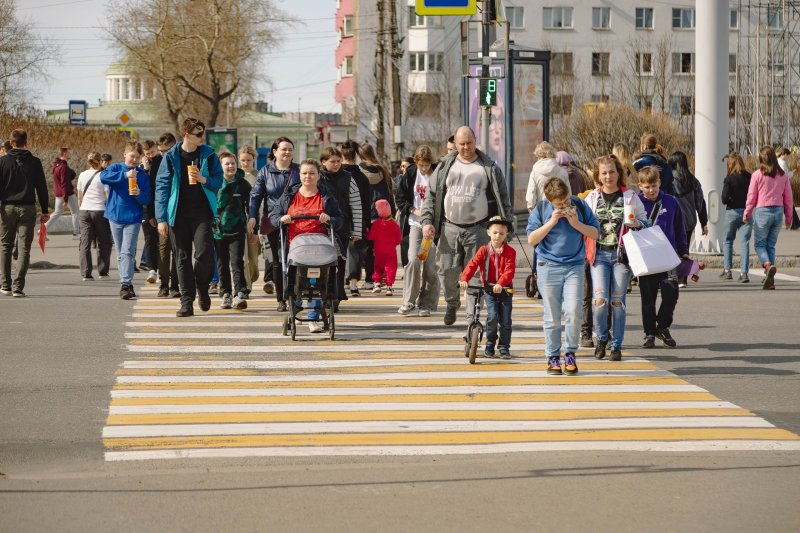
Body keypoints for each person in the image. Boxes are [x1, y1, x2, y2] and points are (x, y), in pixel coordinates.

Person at [420, 126, 513, 326]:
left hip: (479, 228)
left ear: (475, 141)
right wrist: (427, 222)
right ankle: (452, 302)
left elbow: (503, 199)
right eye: (461, 144)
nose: (466, 147)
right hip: (449, 228)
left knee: (477, 274)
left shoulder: (488, 167)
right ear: (455, 143)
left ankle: (473, 316)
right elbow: (431, 196)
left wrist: (508, 226)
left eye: (469, 143)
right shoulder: (445, 166)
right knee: (447, 271)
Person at [527, 177, 599, 374]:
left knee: (574, 311)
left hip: (574, 266)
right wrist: (552, 221)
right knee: (552, 316)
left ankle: (570, 353)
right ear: (550, 201)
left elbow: (595, 233)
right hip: (548, 265)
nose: (565, 205)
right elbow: (532, 239)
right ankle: (552, 356)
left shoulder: (579, 205)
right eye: (559, 204)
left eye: (566, 200)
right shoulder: (541, 208)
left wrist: (576, 223)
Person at [155, 117, 224, 317]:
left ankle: (202, 286)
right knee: (182, 258)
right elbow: (162, 187)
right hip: (178, 214)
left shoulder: (209, 155)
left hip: (202, 213)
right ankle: (186, 301)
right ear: (186, 135)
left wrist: (204, 179)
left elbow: (219, 181)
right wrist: (161, 218)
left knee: (204, 254)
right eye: (198, 133)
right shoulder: (171, 156)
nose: (202, 136)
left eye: (203, 132)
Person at [584, 155, 649, 361]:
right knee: (599, 301)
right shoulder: (592, 198)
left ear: (619, 173)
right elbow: (583, 224)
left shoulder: (630, 196)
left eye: (612, 172)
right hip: (599, 255)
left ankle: (616, 345)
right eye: (604, 173)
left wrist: (637, 224)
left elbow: (646, 221)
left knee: (617, 301)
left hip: (622, 256)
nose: (608, 176)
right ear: (598, 175)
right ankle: (602, 338)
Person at [272, 159, 344, 333]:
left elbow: (340, 219)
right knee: (296, 281)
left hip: (319, 247)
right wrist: (281, 218)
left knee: (316, 282)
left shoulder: (326, 196)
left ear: (318, 175)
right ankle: (296, 309)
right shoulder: (290, 195)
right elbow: (274, 215)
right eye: (304, 173)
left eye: (312, 173)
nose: (308, 176)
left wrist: (330, 219)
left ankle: (313, 318)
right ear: (299, 175)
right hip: (295, 247)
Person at [636, 166, 688, 348]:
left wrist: (683, 249)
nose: (651, 190)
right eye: (647, 187)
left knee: (671, 292)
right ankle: (649, 333)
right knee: (648, 298)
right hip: (647, 257)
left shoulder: (670, 201)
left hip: (668, 256)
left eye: (654, 186)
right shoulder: (636, 203)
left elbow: (679, 227)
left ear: (659, 183)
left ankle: (663, 327)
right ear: (640, 186)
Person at [247, 136, 299, 312]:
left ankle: (294, 294)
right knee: (277, 260)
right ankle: (281, 298)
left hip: (296, 221)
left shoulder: (299, 171)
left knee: (295, 258)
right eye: (283, 149)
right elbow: (255, 196)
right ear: (275, 152)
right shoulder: (265, 172)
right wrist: (252, 217)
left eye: (290, 149)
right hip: (273, 220)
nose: (287, 152)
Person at [0, 129, 50, 297]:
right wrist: (44, 209)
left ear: (11, 143)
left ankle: (5, 285)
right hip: (28, 208)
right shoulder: (35, 162)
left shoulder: (3, 161)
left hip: (7, 208)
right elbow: (41, 187)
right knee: (24, 248)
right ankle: (18, 287)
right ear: (26, 142)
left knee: (5, 246)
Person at [459, 216, 516, 359]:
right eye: (495, 232)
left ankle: (504, 347)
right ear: (488, 232)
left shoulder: (510, 252)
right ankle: (490, 344)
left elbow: (509, 271)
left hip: (505, 290)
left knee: (505, 321)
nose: (498, 236)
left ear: (506, 234)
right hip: (489, 290)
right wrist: (465, 279)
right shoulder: (483, 250)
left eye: (502, 233)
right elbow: (472, 264)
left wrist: (500, 283)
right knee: (492, 317)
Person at [101, 140, 152, 300]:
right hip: (115, 216)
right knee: (120, 252)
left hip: (133, 218)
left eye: (137, 157)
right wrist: (125, 175)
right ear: (124, 154)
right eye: (131, 156)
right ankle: (127, 284)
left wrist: (138, 193)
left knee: (127, 251)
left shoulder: (142, 175)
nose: (134, 160)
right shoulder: (116, 168)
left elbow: (147, 199)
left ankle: (125, 284)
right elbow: (103, 177)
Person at [396, 144, 440, 316]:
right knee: (414, 260)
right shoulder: (410, 173)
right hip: (415, 224)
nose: (424, 168)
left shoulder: (437, 173)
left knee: (429, 265)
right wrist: (414, 210)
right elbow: (400, 198)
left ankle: (426, 303)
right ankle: (409, 301)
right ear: (416, 162)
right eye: (421, 165)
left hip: (433, 227)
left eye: (427, 165)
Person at [743, 145, 794, 290]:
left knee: (759, 245)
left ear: (761, 159)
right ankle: (770, 280)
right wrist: (789, 219)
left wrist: (747, 214)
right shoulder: (783, 175)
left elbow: (751, 197)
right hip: (778, 212)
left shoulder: (757, 175)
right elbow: (789, 199)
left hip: (763, 212)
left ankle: (767, 265)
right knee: (770, 245)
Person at [319, 146, 363, 308]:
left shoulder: (348, 178)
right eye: (333, 161)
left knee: (339, 262)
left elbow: (356, 205)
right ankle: (325, 294)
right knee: (323, 263)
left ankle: (336, 295)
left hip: (342, 226)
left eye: (338, 161)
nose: (337, 164)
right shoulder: (318, 178)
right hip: (322, 227)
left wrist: (357, 230)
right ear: (323, 162)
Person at [214, 152, 251, 310]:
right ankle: (226, 294)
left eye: (233, 163)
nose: (230, 166)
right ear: (220, 166)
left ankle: (239, 293)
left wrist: (253, 225)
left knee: (237, 262)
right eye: (227, 164)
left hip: (237, 230)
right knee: (222, 263)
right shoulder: (215, 183)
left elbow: (251, 206)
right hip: (218, 231)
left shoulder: (243, 184)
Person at [358, 142, 395, 293]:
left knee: (367, 249)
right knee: (382, 249)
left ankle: (369, 279)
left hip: (367, 214)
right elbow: (390, 192)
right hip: (383, 214)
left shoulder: (359, 171)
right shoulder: (383, 170)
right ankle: (383, 276)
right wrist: (391, 213)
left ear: (360, 155)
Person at [669, 150, 708, 287]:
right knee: (684, 248)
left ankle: (672, 276)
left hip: (673, 220)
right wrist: (704, 222)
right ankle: (682, 279)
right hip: (689, 221)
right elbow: (700, 202)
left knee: (672, 248)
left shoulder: (669, 181)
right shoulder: (693, 181)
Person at [339, 139, 372, 296]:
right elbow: (366, 202)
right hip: (357, 218)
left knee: (338, 250)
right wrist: (366, 223)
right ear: (356, 156)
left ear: (341, 156)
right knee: (354, 251)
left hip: (338, 218)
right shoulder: (362, 178)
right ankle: (353, 283)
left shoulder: (336, 176)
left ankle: (340, 281)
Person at [76, 151, 112, 281]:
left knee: (85, 243)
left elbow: (79, 196)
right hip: (100, 210)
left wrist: (82, 208)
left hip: (84, 211)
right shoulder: (103, 175)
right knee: (104, 242)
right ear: (100, 161)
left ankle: (86, 273)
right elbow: (108, 195)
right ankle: (102, 272)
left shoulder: (82, 175)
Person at [721, 153, 752, 282]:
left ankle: (727, 271)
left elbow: (723, 199)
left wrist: (731, 200)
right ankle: (744, 273)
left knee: (728, 241)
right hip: (746, 212)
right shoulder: (749, 176)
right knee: (745, 242)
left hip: (732, 212)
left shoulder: (729, 179)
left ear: (730, 164)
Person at [155, 133, 179, 298]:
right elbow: (157, 191)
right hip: (164, 214)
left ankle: (175, 285)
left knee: (179, 251)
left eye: (166, 150)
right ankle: (163, 284)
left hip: (179, 212)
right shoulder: (157, 162)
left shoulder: (180, 159)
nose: (163, 154)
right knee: (164, 250)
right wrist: (157, 217)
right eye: (160, 151)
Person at [238, 145, 260, 298]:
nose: (245, 163)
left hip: (254, 219)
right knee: (243, 256)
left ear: (254, 159)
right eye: (243, 160)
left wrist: (257, 226)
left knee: (253, 257)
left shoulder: (258, 176)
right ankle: (246, 286)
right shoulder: (236, 175)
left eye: (248, 160)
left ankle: (252, 276)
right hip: (239, 220)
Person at [366, 199, 401, 296]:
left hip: (378, 252)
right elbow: (398, 239)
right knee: (390, 269)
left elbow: (370, 237)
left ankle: (377, 283)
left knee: (377, 267)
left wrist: (367, 232)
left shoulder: (376, 224)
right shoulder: (394, 225)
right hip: (391, 252)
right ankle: (389, 287)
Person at [45, 147, 79, 239]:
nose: (70, 154)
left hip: (59, 194)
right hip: (67, 193)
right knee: (75, 212)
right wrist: (65, 198)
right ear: (64, 154)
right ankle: (76, 233)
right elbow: (64, 183)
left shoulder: (56, 165)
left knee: (57, 212)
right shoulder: (63, 167)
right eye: (68, 152)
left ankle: (43, 228)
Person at [525, 141, 570, 211]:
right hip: (560, 210)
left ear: (538, 156)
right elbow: (568, 195)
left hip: (542, 211)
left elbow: (530, 198)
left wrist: (533, 213)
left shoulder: (535, 173)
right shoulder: (563, 172)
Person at [139, 139, 160, 284]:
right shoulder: (141, 167)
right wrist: (145, 170)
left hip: (160, 205)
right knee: (150, 239)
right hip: (146, 207)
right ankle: (152, 269)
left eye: (152, 152)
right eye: (147, 153)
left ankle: (164, 269)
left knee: (162, 241)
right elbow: (142, 186)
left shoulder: (162, 162)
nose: (150, 155)